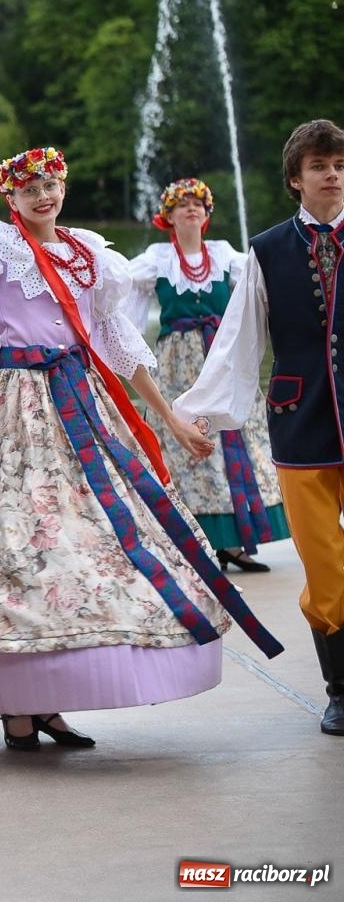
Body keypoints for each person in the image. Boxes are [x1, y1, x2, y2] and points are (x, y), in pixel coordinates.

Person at [0, 146, 282, 753]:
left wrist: (171, 419)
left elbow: (118, 344)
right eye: (29, 188)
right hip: (17, 408)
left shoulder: (89, 251)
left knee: (84, 544)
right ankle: (19, 707)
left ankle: (49, 705)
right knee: (20, 544)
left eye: (51, 184)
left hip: (83, 402)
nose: (43, 195)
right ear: (11, 199)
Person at [176, 119, 344, 737]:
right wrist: (201, 413)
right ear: (296, 180)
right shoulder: (267, 251)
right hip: (301, 426)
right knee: (324, 566)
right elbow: (238, 345)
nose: (333, 175)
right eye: (321, 166)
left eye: (340, 165)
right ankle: (340, 689)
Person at [126, 177, 288, 572]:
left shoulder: (224, 254)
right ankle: (197, 540)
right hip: (178, 363)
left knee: (236, 435)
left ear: (206, 214)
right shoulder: (157, 260)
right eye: (182, 205)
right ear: (168, 217)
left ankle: (236, 540)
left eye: (198, 204)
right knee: (184, 442)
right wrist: (125, 351)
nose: (191, 210)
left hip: (220, 357)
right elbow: (123, 296)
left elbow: (260, 285)